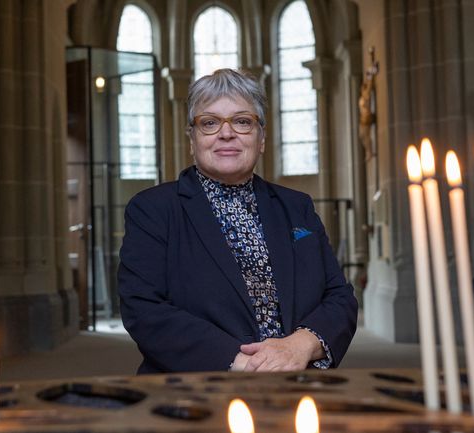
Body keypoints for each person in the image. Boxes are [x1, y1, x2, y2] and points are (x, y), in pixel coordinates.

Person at [117, 68, 358, 374]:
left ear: (262, 138)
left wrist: (301, 344)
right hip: (197, 390)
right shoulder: (152, 210)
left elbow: (339, 297)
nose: (226, 132)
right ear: (192, 139)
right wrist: (246, 364)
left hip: (296, 384)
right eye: (210, 122)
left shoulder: (297, 207)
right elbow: (143, 309)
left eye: (243, 121)